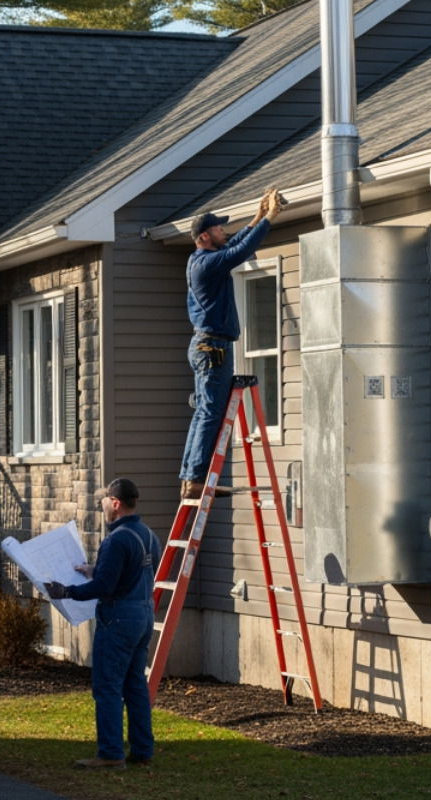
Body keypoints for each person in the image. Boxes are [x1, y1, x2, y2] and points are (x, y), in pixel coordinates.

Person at [45, 477, 163, 769]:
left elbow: (105, 587)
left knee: (107, 686)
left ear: (115, 503)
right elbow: (132, 574)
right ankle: (143, 750)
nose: (102, 506)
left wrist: (67, 591)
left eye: (104, 501)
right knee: (135, 685)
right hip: (143, 614)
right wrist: (94, 571)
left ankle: (110, 754)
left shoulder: (116, 539)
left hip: (119, 618)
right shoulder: (149, 535)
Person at [179, 188, 283, 499]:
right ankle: (195, 479)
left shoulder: (203, 259)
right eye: (218, 229)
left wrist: (258, 215)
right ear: (204, 236)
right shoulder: (207, 264)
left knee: (204, 412)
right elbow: (238, 251)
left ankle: (190, 477)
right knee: (210, 413)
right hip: (213, 348)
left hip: (207, 346)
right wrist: (270, 218)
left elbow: (234, 244)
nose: (223, 231)